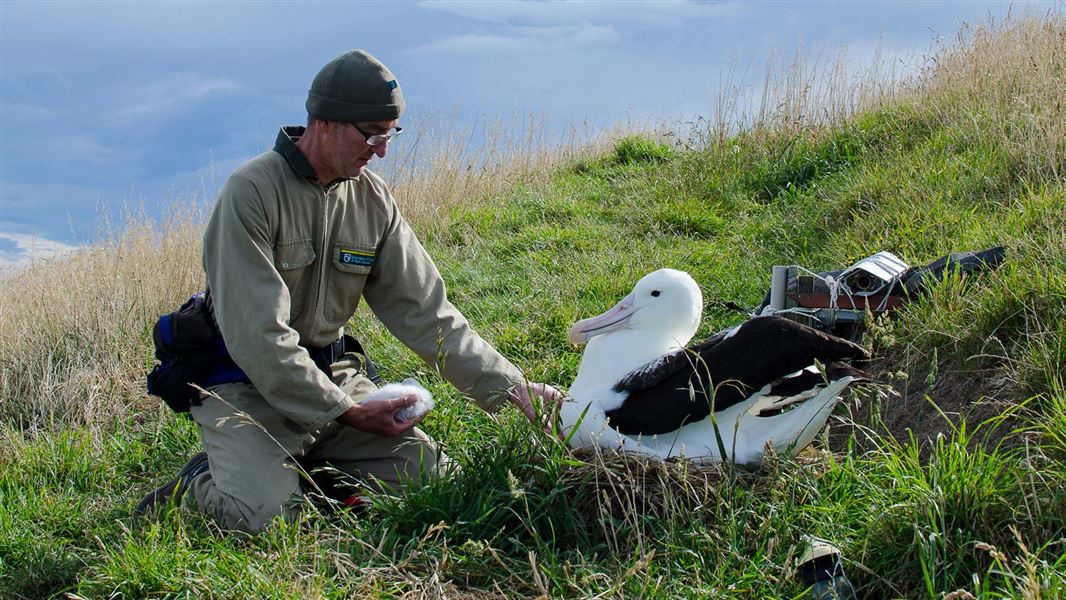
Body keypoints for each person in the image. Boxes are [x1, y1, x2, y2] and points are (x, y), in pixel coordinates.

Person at [134, 49, 561, 533]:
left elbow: (429, 314)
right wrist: (348, 412)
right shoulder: (251, 192)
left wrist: (514, 390)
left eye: (390, 134)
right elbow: (259, 339)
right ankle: (197, 484)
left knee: (437, 485)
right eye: (372, 133)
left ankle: (306, 468)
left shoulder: (374, 200)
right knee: (265, 521)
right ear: (325, 122)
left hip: (335, 375)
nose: (382, 149)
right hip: (244, 385)